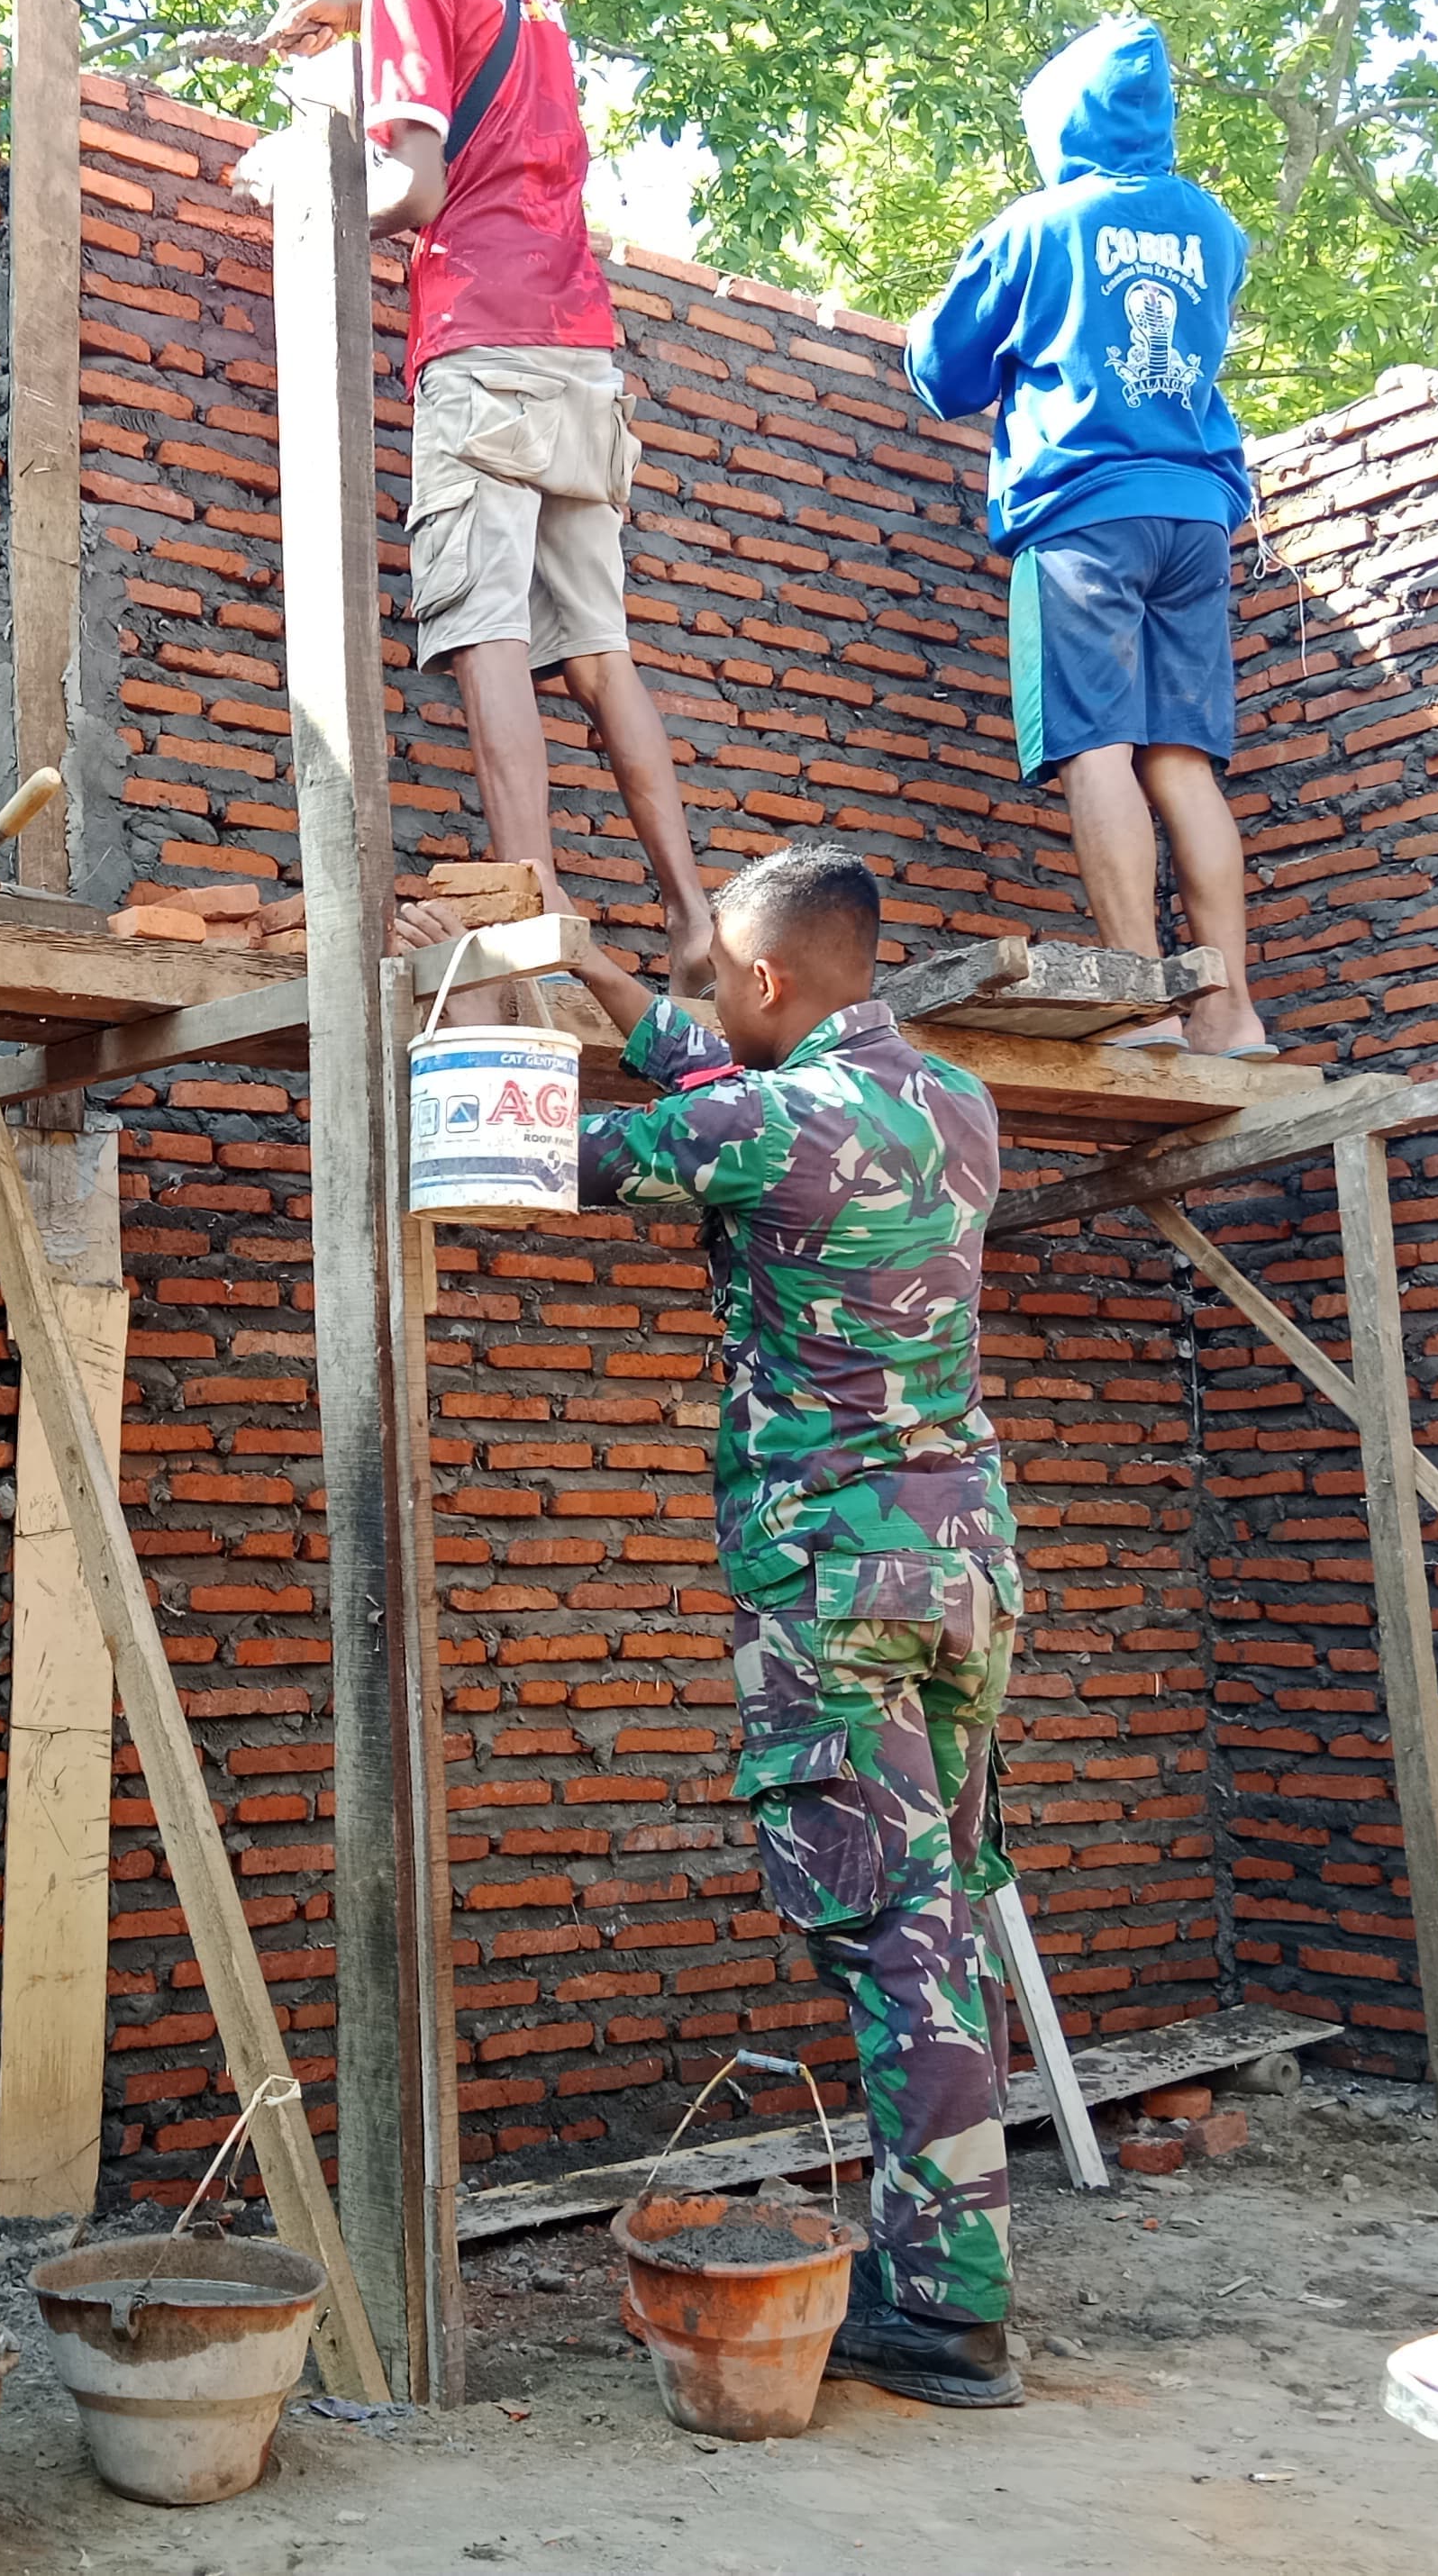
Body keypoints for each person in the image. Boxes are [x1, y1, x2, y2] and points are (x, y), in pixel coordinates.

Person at [407, 841, 1023, 2404]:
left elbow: (528, 1145)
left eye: (705, 980)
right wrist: (603, 971)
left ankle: (947, 2313)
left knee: (896, 1935)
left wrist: (472, 992)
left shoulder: (765, 1121)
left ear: (766, 982)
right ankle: (935, 2260)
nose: (694, 1000)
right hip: (958, 1568)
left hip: (832, 1576)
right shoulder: (950, 1101)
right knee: (942, 1918)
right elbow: (725, 1079)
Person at [251, 0, 720, 999]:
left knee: (481, 627)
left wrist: (304, 211)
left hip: (487, 341)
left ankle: (537, 896)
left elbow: (419, 181)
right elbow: (477, 44)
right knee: (600, 650)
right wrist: (356, 16)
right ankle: (695, 917)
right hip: (578, 343)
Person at [902, 15, 1272, 1058]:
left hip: (1083, 516)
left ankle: (1145, 1004)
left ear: (1060, 119)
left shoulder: (1038, 224)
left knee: (1095, 744)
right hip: (1196, 513)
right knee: (1182, 758)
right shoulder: (1212, 224)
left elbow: (942, 371)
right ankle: (1231, 1012)